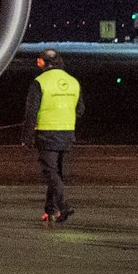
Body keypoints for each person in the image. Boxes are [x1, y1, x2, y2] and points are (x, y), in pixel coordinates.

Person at [22, 48, 84, 223]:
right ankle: (50, 210)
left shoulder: (39, 82)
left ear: (43, 63)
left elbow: (31, 112)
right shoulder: (73, 82)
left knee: (50, 172)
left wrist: (26, 136)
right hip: (67, 132)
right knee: (56, 172)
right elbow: (80, 110)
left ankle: (63, 206)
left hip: (47, 132)